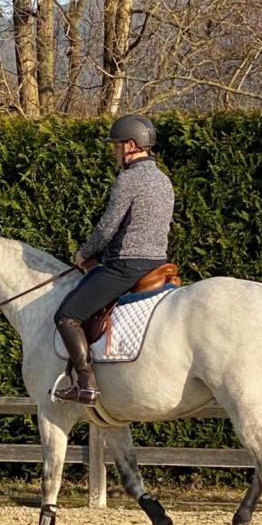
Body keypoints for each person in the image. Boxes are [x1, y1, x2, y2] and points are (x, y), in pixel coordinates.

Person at [53, 113, 175, 405]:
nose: (114, 151)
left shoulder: (129, 179)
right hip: (157, 263)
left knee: (66, 316)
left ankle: (85, 383)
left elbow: (108, 227)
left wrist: (85, 253)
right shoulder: (163, 180)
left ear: (131, 146)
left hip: (126, 265)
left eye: (117, 145)